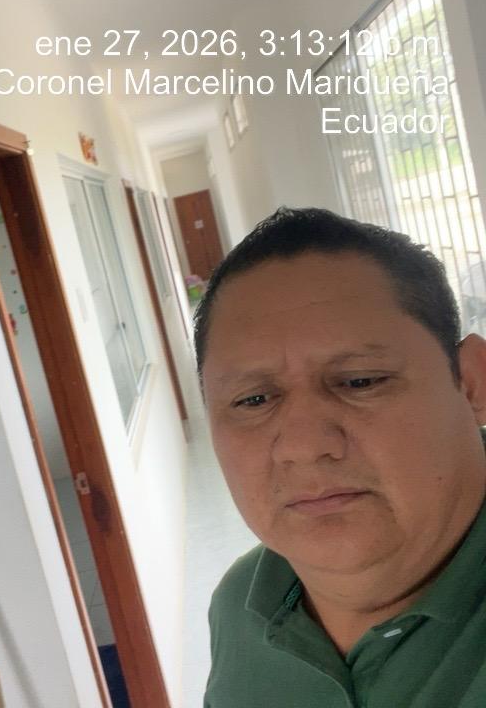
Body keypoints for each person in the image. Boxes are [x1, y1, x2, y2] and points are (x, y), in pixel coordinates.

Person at [196, 207, 486, 707]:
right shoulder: (240, 604)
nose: (304, 446)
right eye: (253, 400)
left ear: (472, 382)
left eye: (360, 381)